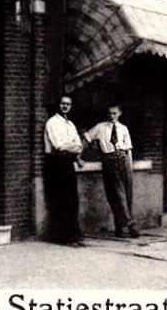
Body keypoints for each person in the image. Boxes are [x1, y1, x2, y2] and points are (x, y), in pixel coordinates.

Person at [83, 103, 138, 238]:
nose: (112, 116)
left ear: (120, 113)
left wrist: (129, 165)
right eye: (109, 113)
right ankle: (131, 225)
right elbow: (86, 138)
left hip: (123, 159)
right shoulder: (100, 127)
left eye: (114, 113)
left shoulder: (124, 128)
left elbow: (128, 148)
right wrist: (81, 154)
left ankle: (119, 226)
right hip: (109, 159)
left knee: (126, 194)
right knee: (117, 194)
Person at [42, 94, 85, 246]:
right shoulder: (52, 123)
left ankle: (73, 234)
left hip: (68, 163)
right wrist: (71, 146)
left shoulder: (70, 125)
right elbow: (58, 145)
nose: (65, 106)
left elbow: (79, 145)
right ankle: (64, 237)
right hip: (56, 164)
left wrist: (71, 147)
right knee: (61, 199)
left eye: (68, 104)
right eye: (63, 103)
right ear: (58, 105)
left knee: (72, 199)